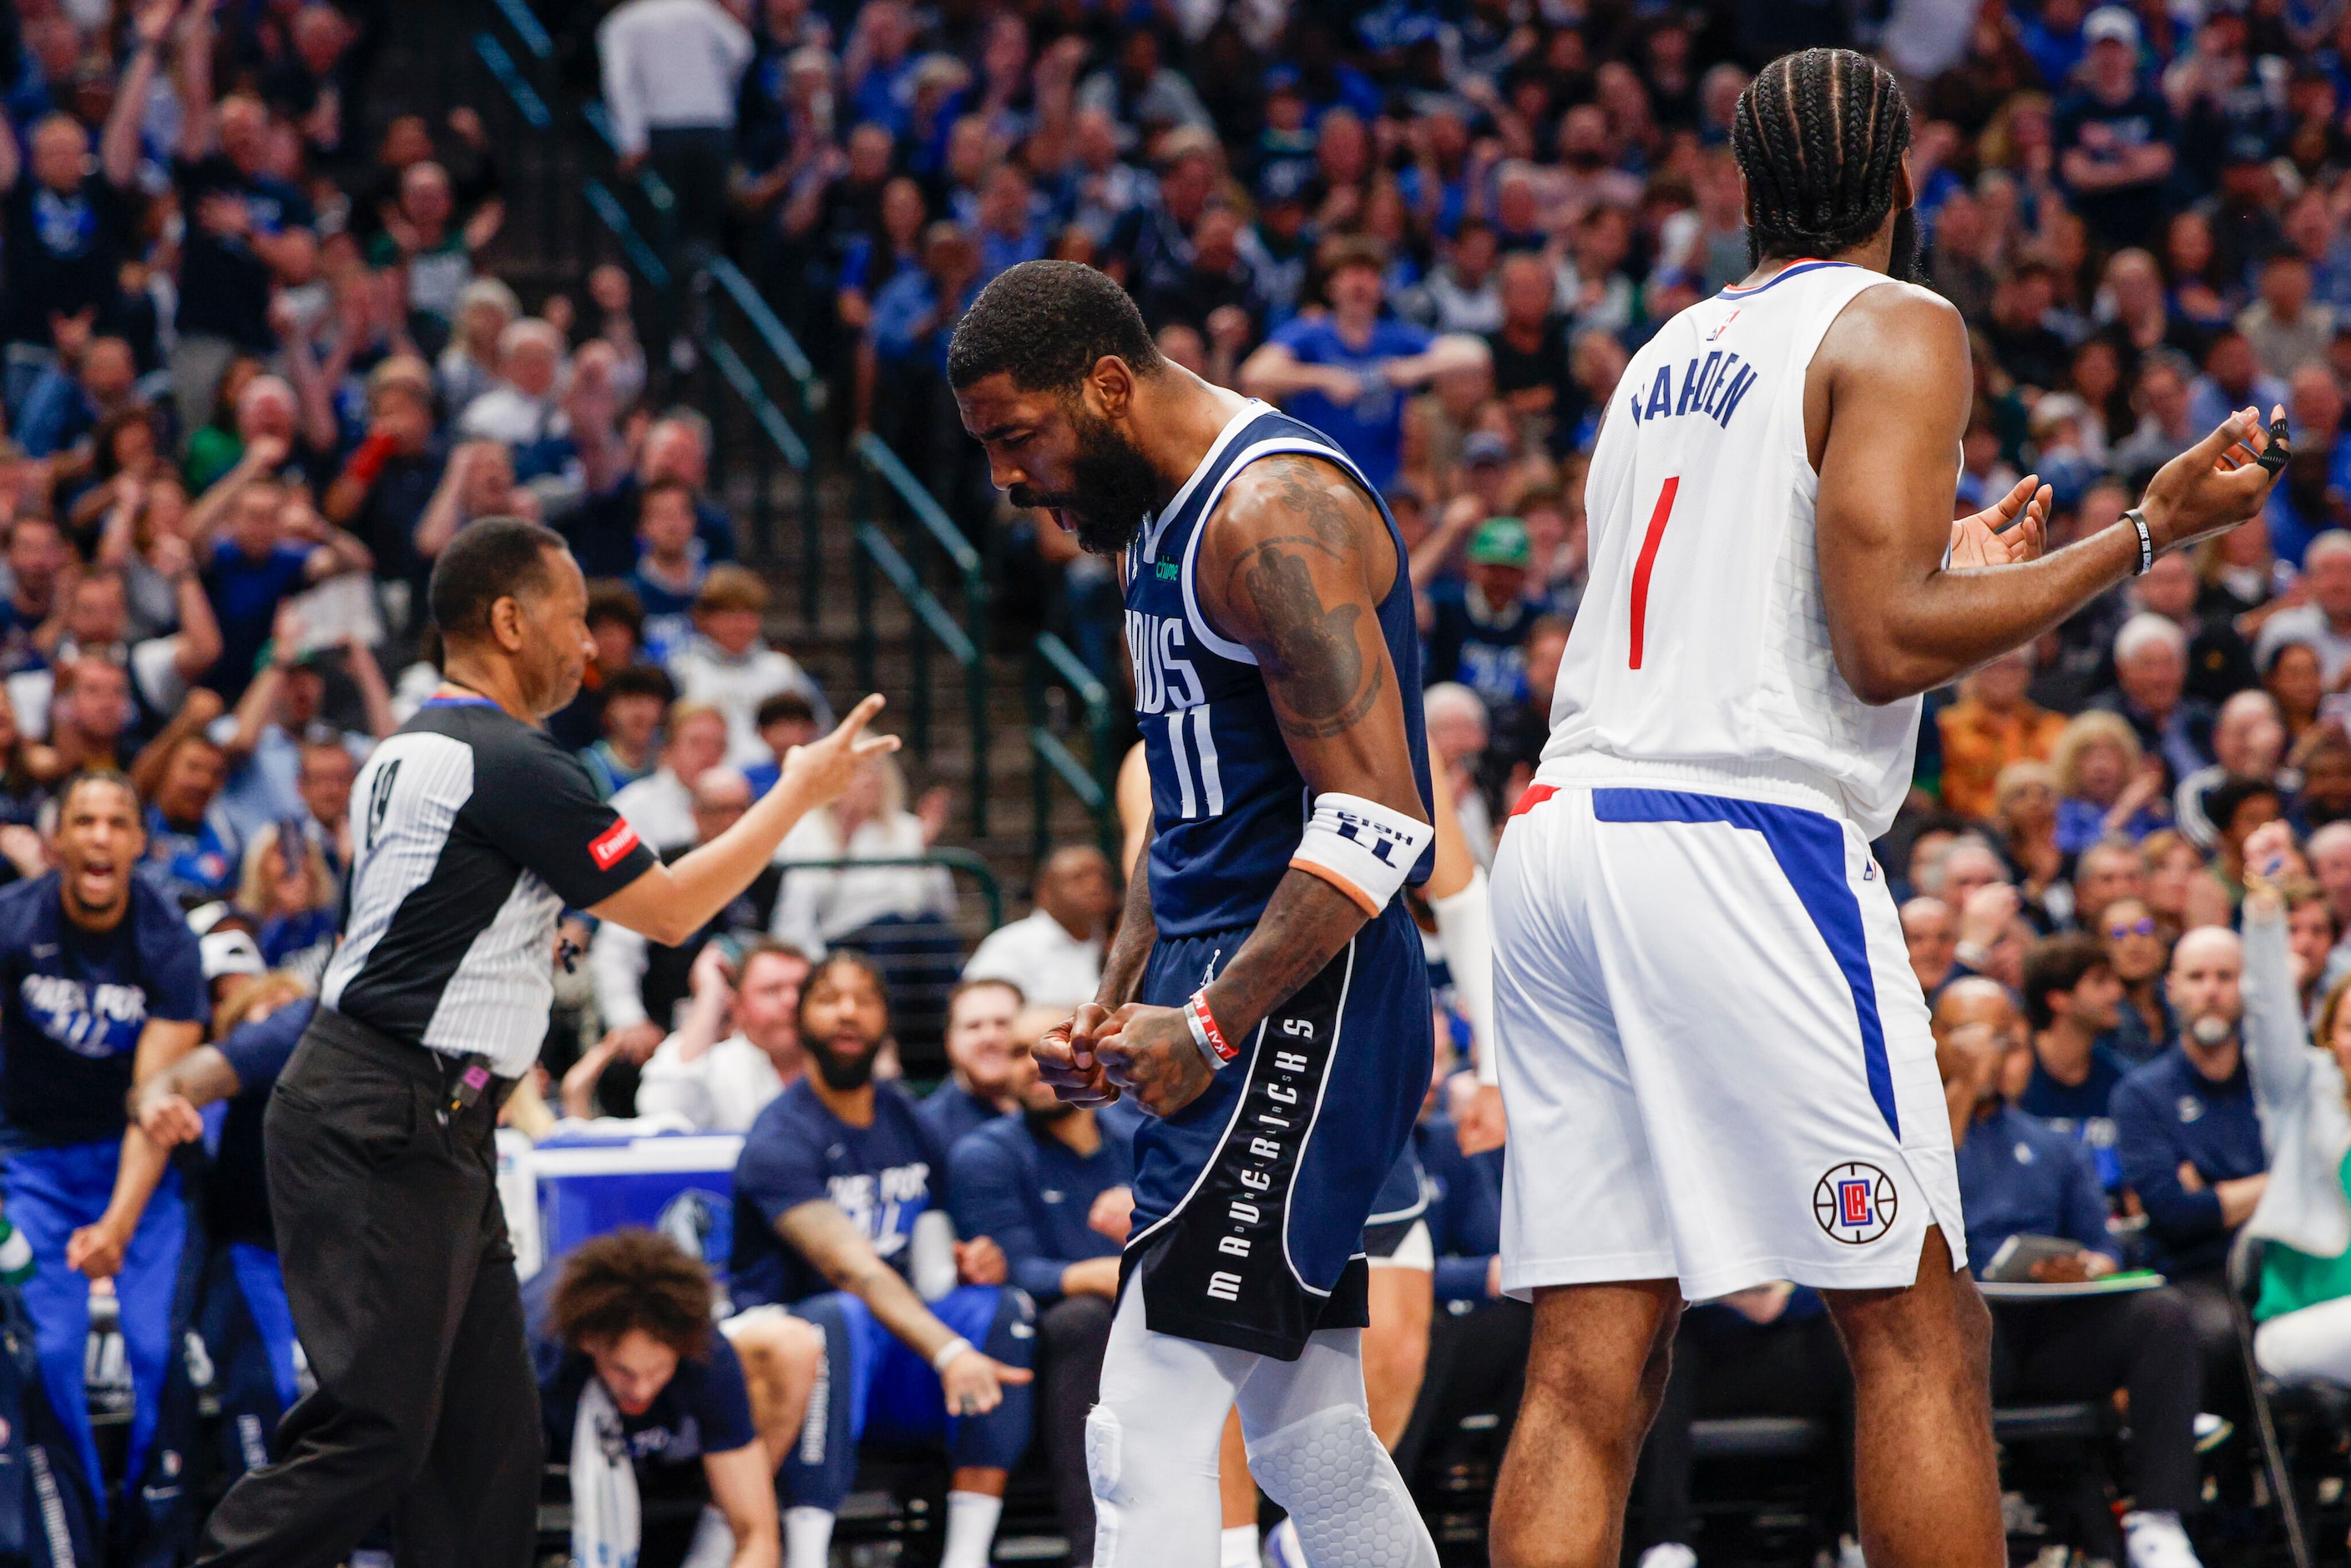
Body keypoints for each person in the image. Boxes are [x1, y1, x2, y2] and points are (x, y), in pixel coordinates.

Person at [1484, 49, 2280, 1568]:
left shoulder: (1665, 349)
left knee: (1590, 1359)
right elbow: (1880, 641)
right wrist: (2146, 529)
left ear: (1742, 191)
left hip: (1569, 829)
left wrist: (1944, 566)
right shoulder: (1902, 321)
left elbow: (1787, 602)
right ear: (1904, 187)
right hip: (1735, 846)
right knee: (1920, 1327)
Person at [195, 517, 897, 1567]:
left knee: (488, 1447)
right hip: (387, 1113)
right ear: (511, 620)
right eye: (575, 620)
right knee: (376, 1429)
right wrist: (794, 791)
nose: (593, 647)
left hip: (420, 1111)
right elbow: (667, 912)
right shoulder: (512, 760)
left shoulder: (411, 742)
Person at [951, 260, 1443, 1564]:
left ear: (1107, 386)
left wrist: (1210, 1024)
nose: (1007, 476)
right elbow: (1183, 806)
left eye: (1017, 437)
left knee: (1145, 1425)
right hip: (1237, 980)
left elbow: (1382, 823)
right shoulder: (1151, 517)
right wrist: (1123, 991)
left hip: (1303, 994)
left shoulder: (1272, 514)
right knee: (1305, 1428)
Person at [728, 951, 1034, 1568]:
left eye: (865, 998)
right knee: (838, 1316)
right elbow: (852, 1267)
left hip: (897, 1346)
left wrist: (979, 1257)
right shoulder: (779, 1137)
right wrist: (948, 1351)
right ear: (801, 1020)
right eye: (829, 997)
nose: (848, 1012)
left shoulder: (908, 1120)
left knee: (1003, 1311)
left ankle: (967, 1556)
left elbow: (951, 1231)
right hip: (797, 1356)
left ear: (886, 1022)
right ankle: (806, 1555)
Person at [0, 770, 209, 1560]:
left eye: (116, 822)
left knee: (155, 1353)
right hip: (34, 1168)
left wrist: (117, 1226)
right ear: (57, 842)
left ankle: (155, 1543)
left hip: (141, 1174)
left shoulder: (166, 940)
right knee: (50, 1356)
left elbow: (151, 1102)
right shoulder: (12, 923)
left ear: (137, 844)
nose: (98, 836)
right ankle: (70, 1544)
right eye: (83, 820)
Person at [1934, 979, 2206, 1560]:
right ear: (1933, 1040)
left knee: (2161, 1314)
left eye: (2004, 1038)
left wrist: (2087, 1265)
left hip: (2051, 1328)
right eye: (1972, 1037)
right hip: (1959, 1340)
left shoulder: (2053, 1145)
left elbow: (2103, 1245)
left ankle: (2157, 1520)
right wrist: (1958, 1092)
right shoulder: (1909, 1141)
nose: (1992, 1053)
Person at [949, 1008, 1142, 1567]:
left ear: (1095, 1055)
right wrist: (1095, 1275)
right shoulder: (984, 1154)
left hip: (1151, 1316)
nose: (1037, 1065)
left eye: (1057, 1048)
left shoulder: (1137, 1136)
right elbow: (1007, 1266)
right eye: (1019, 1054)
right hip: (1048, 1347)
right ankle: (1095, 1556)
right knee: (1080, 1319)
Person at [130, 964, 315, 1489]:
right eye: (265, 1011)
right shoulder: (237, 1075)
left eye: (286, 1009)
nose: (277, 1021)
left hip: (317, 1262)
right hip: (246, 1254)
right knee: (266, 1391)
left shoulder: (334, 1066)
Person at [533, 1228, 817, 1568]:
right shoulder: (535, 1365)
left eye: (657, 1370)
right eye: (623, 1371)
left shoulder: (707, 1355)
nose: (640, 1389)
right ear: (588, 1342)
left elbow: (756, 1535)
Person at [635, 938, 809, 1132]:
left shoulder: (840, 1063)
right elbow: (661, 1110)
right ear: (738, 1006)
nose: (792, 1001)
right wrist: (710, 994)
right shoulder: (719, 1065)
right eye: (772, 990)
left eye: (803, 990)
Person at [2017, 932, 2131, 1191]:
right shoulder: (2015, 1079)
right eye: (2100, 982)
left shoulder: (2122, 1080)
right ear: (2059, 999)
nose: (2117, 992)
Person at [920, 976, 1028, 1149]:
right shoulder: (925, 1131)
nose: (990, 1037)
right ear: (949, 1041)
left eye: (1003, 1023)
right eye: (973, 1026)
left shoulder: (1063, 1110)